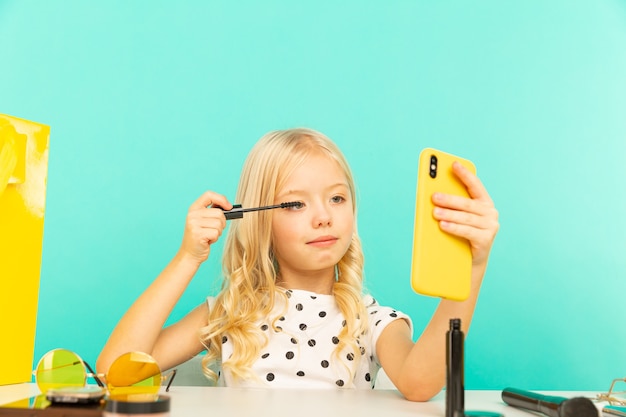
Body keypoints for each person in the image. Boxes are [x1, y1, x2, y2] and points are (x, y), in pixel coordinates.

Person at [96, 128, 499, 401]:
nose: (323, 216)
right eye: (294, 204)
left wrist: (472, 267)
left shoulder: (370, 319)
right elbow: (116, 370)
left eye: (337, 199)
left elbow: (420, 383)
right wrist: (188, 257)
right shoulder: (231, 312)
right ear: (259, 222)